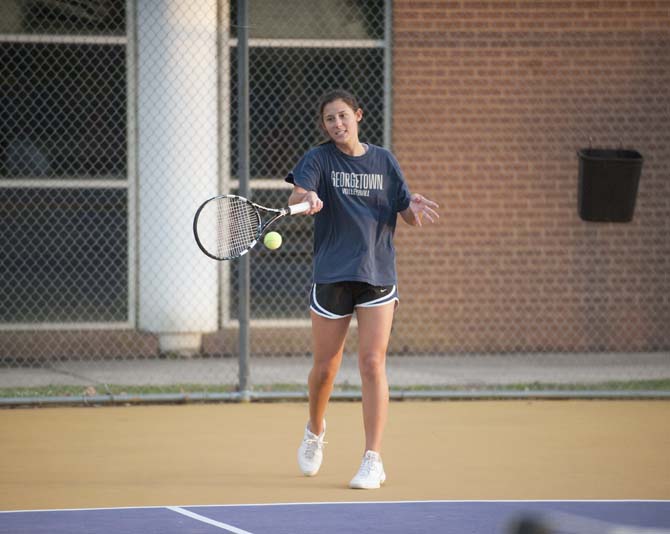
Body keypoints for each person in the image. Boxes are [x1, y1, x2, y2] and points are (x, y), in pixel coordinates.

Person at [286, 89, 439, 489]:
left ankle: (373, 458)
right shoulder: (318, 159)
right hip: (333, 273)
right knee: (325, 369)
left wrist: (414, 209)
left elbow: (405, 213)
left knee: (372, 363)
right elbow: (298, 194)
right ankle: (315, 430)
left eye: (342, 116)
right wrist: (309, 197)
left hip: (377, 273)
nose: (337, 125)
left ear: (358, 115)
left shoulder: (384, 161)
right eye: (329, 120)